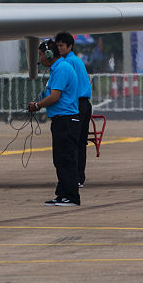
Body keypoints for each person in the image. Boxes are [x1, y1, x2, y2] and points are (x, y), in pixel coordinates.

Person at [27, 37, 80, 206]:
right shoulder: (56, 69)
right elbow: (49, 94)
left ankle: (72, 197)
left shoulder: (62, 69)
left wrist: (37, 105)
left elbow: (55, 97)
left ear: (49, 54)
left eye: (41, 55)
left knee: (66, 160)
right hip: (59, 121)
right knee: (59, 160)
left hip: (66, 121)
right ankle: (62, 194)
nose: (40, 59)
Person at [56, 31, 92, 187]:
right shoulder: (75, 60)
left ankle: (75, 177)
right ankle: (78, 177)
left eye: (61, 46)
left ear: (70, 46)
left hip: (77, 105)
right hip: (83, 104)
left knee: (73, 143)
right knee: (79, 143)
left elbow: (64, 88)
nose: (59, 48)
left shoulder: (67, 63)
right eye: (57, 46)